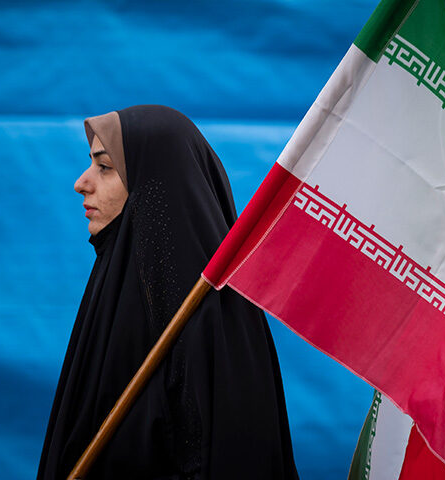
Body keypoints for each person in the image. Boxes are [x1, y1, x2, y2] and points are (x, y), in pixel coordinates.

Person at [37, 105, 299, 479]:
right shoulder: (113, 288)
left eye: (105, 167)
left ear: (156, 185)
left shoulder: (212, 328)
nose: (82, 182)